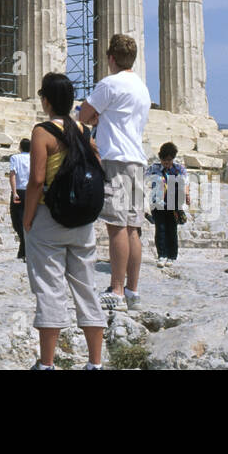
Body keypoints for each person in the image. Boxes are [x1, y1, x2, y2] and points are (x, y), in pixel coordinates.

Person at [23, 72, 106, 370]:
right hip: (82, 223)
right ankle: (95, 363)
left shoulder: (42, 132)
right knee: (86, 287)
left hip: (50, 218)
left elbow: (36, 180)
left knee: (49, 289)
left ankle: (47, 364)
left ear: (46, 100)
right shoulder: (85, 130)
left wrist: (28, 219)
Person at [78, 34, 151, 311]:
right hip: (137, 159)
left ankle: (117, 290)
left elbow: (83, 115)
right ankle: (132, 290)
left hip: (116, 160)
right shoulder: (142, 88)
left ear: (110, 58)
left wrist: (95, 117)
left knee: (117, 226)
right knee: (133, 228)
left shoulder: (110, 84)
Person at [145, 141, 190, 267]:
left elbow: (186, 182)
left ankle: (171, 256)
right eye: (164, 160)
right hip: (157, 202)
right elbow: (143, 178)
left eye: (169, 160)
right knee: (160, 229)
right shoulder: (154, 168)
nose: (167, 163)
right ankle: (162, 255)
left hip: (173, 203)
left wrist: (187, 195)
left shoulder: (178, 169)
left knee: (171, 229)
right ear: (160, 158)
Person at [8, 138, 31, 260]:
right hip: (31, 192)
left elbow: (12, 175)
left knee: (17, 220)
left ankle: (24, 250)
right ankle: (23, 250)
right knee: (27, 220)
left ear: (20, 147)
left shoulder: (15, 158)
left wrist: (14, 191)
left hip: (19, 192)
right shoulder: (34, 158)